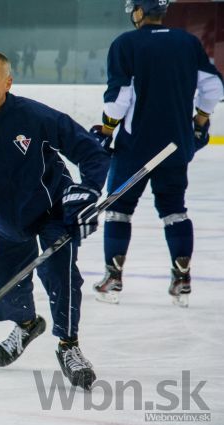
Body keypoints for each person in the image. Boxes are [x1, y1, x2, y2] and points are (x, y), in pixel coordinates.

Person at [0, 51, 110, 390]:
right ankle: (28, 324)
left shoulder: (34, 116)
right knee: (5, 283)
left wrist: (87, 192)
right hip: (6, 217)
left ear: (7, 83)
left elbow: (90, 151)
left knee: (61, 276)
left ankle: (68, 345)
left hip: (52, 212)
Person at [92, 0, 224, 307]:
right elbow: (213, 87)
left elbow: (119, 97)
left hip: (135, 147)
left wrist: (107, 130)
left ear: (139, 11)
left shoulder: (126, 43)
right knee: (174, 210)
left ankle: (113, 280)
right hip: (175, 146)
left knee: (118, 209)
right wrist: (200, 121)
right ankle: (183, 280)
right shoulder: (187, 42)